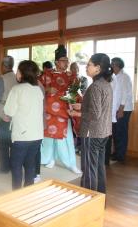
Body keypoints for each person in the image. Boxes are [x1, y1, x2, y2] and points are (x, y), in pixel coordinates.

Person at [68, 53, 113, 193]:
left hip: (92, 133)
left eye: (89, 65)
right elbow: (100, 107)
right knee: (98, 167)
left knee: (88, 169)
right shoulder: (105, 84)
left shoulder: (94, 87)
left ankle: (88, 199)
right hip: (104, 132)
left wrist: (76, 113)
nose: (86, 67)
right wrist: (81, 106)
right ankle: (100, 198)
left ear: (98, 68)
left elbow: (95, 114)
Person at [39, 45, 81, 174]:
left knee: (65, 139)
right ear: (57, 62)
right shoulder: (47, 74)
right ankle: (49, 158)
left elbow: (76, 93)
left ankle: (71, 163)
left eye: (67, 60)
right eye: (63, 60)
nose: (66, 62)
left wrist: (73, 99)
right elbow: (37, 88)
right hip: (49, 112)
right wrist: (47, 89)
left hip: (63, 112)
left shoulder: (71, 76)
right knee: (48, 138)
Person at [4, 60, 44, 190]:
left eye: (18, 70)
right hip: (37, 134)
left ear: (22, 74)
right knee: (30, 165)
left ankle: (16, 193)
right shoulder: (37, 90)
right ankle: (28, 193)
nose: (17, 73)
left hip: (21, 135)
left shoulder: (17, 89)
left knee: (16, 165)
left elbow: (9, 111)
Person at [0, 56, 18, 174]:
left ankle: (3, 167)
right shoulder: (18, 78)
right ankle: (13, 166)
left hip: (3, 113)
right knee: (13, 142)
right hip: (16, 114)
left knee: (2, 143)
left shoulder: (1, 79)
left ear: (3, 66)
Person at [110, 57, 133, 162]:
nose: (111, 66)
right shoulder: (116, 77)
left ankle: (120, 155)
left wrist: (120, 109)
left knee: (121, 132)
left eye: (112, 64)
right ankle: (116, 153)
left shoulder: (124, 77)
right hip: (117, 108)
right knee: (116, 131)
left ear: (117, 65)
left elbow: (126, 94)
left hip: (124, 108)